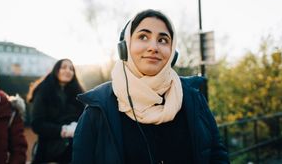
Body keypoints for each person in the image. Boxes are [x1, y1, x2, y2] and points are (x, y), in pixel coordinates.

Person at [72, 9, 229, 164]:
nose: (153, 47)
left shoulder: (193, 98)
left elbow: (217, 154)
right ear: (124, 47)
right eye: (143, 37)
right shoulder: (98, 108)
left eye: (163, 40)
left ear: (172, 53)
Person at [30, 58, 85, 163]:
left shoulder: (79, 94)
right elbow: (37, 124)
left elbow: (85, 117)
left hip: (74, 151)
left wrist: (77, 127)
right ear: (56, 70)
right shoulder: (43, 91)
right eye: (64, 67)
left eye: (71, 68)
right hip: (48, 152)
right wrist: (63, 130)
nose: (68, 71)